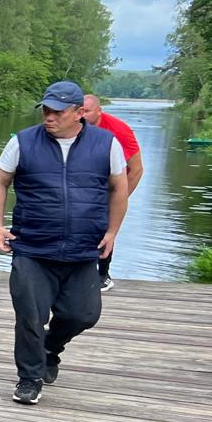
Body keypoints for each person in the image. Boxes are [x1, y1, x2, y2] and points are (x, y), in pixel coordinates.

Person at [0, 80, 129, 406]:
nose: (49, 117)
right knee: (30, 315)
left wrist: (112, 232)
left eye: (57, 112)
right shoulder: (23, 142)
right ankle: (29, 377)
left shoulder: (106, 144)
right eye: (46, 110)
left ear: (79, 113)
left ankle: (52, 347)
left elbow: (119, 189)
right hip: (33, 248)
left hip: (82, 251)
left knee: (84, 314)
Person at [81, 93, 144, 291]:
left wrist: (120, 199)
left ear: (99, 111)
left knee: (105, 227)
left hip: (112, 184)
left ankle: (103, 275)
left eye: (87, 111)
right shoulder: (74, 127)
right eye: (80, 111)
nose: (82, 115)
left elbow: (137, 168)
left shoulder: (119, 130)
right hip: (86, 183)